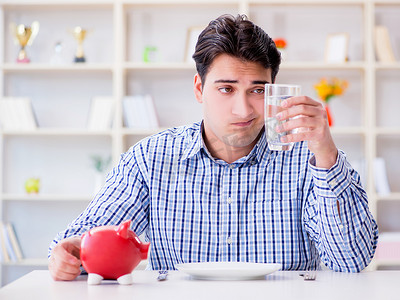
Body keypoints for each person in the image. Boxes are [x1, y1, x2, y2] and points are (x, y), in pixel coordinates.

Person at [48, 14, 378, 281]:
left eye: (257, 91)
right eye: (226, 89)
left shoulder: (309, 159)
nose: (244, 110)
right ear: (199, 88)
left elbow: (351, 260)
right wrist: (71, 254)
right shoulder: (151, 159)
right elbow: (80, 243)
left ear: (274, 92)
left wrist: (326, 153)